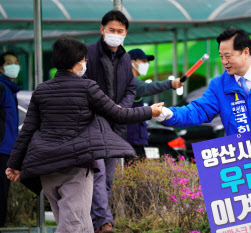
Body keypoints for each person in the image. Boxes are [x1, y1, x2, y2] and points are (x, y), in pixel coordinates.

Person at [5, 36, 163, 233]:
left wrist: (14, 164)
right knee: (72, 226)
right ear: (76, 62)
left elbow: (27, 130)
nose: (86, 63)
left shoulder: (41, 90)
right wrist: (150, 111)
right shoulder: (87, 88)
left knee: (81, 224)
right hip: (76, 166)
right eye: (84, 60)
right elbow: (118, 114)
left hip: (46, 168)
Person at [83, 10, 137, 233]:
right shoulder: (88, 52)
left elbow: (131, 88)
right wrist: (106, 106)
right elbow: (83, 85)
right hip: (93, 123)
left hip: (116, 126)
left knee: (107, 179)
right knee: (98, 175)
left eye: (120, 31)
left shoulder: (125, 58)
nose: (115, 34)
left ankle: (97, 223)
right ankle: (104, 222)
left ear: (125, 34)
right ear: (102, 29)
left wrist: (122, 107)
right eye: (111, 30)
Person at [126, 48, 184, 159]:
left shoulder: (131, 81)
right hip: (131, 138)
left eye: (147, 61)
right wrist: (170, 83)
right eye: (143, 61)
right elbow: (148, 88)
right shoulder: (130, 81)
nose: (146, 64)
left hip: (134, 137)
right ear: (132, 62)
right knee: (136, 173)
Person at [0, 51, 21, 228]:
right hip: (1, 149)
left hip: (7, 149)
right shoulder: (1, 87)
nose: (13, 65)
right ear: (1, 67)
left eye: (16, 62)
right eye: (9, 63)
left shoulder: (9, 88)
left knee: (4, 192)